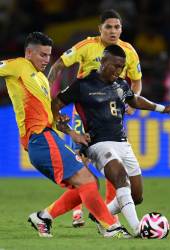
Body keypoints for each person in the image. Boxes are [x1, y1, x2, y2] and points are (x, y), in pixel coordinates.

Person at [0, 32, 130, 238]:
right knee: (86, 180)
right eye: (42, 55)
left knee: (89, 182)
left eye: (49, 55)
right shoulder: (17, 65)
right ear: (28, 53)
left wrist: (72, 133)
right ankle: (110, 226)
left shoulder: (41, 79)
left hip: (48, 136)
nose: (46, 60)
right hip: (39, 138)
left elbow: (49, 116)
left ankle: (44, 217)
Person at [52, 44, 170, 236]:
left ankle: (102, 215)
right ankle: (137, 228)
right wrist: (65, 126)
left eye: (122, 67)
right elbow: (56, 104)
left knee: (136, 196)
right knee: (120, 178)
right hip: (97, 144)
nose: (119, 71)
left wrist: (162, 108)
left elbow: (134, 100)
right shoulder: (83, 84)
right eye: (115, 66)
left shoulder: (121, 84)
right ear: (103, 62)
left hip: (122, 142)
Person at [48, 9, 143, 227]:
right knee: (82, 160)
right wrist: (47, 92)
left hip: (111, 112)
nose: (113, 30)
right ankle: (78, 210)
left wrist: (133, 101)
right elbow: (60, 65)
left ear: (121, 29)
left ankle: (108, 211)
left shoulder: (128, 51)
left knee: (114, 163)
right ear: (99, 29)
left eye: (117, 27)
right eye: (108, 27)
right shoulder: (86, 46)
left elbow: (136, 80)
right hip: (85, 111)